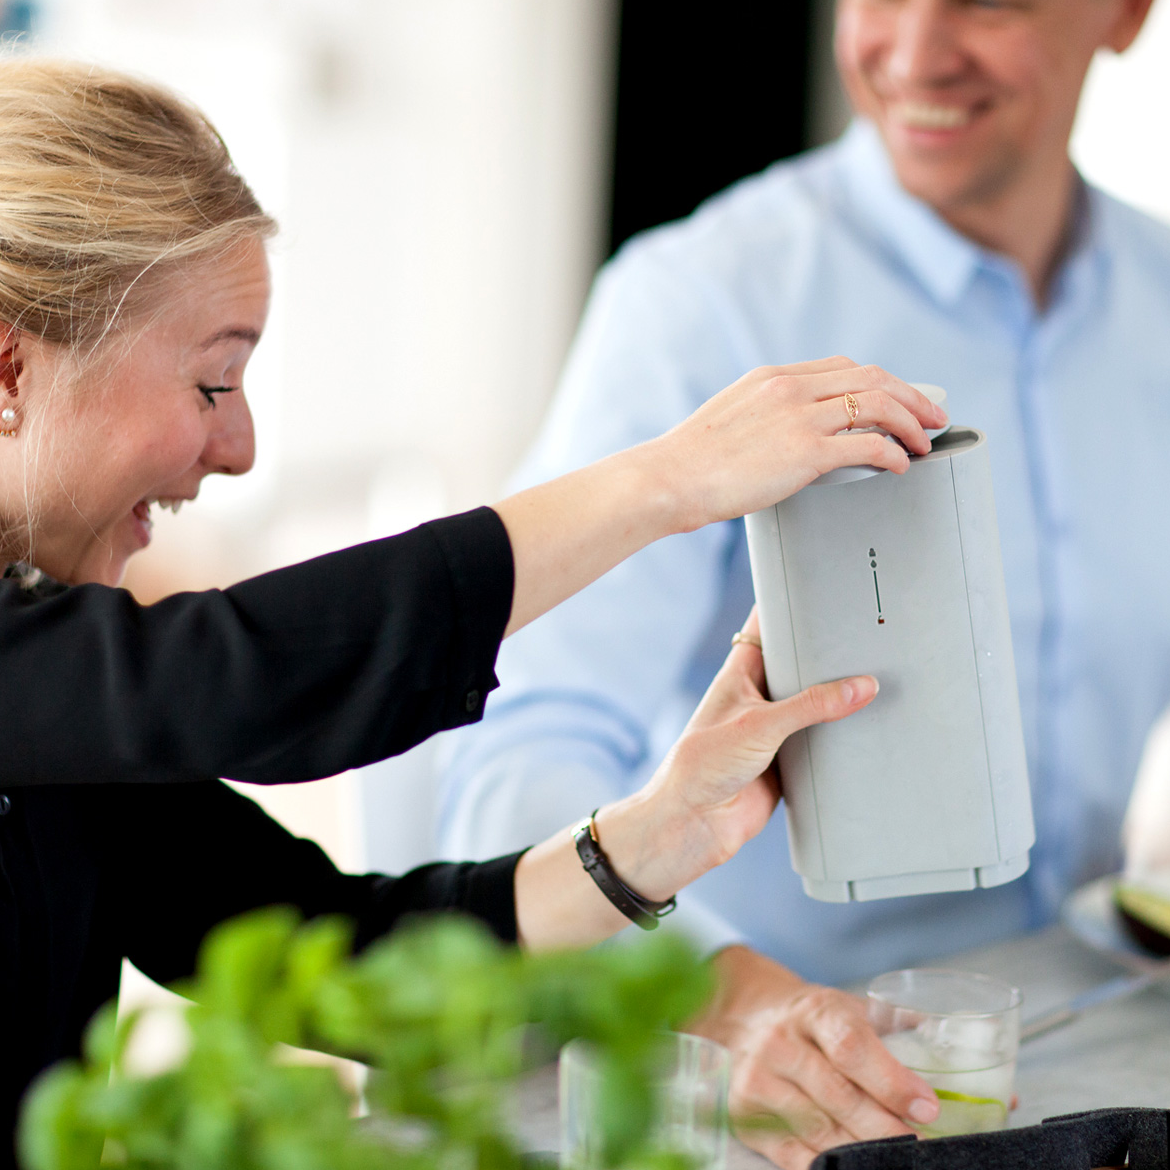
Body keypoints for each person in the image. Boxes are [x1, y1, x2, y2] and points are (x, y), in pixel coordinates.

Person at [0, 59, 949, 1167]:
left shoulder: (72, 714)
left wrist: (655, 837)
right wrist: (667, 484)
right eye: (212, 384)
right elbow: (244, 678)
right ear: (10, 364)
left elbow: (347, 957)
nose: (239, 446)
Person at [437, 0, 1167, 1165]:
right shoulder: (700, 300)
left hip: (1101, 1055)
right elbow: (510, 752)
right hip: (786, 1095)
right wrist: (728, 996)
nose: (916, 52)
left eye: (989, 0)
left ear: (1124, 15)